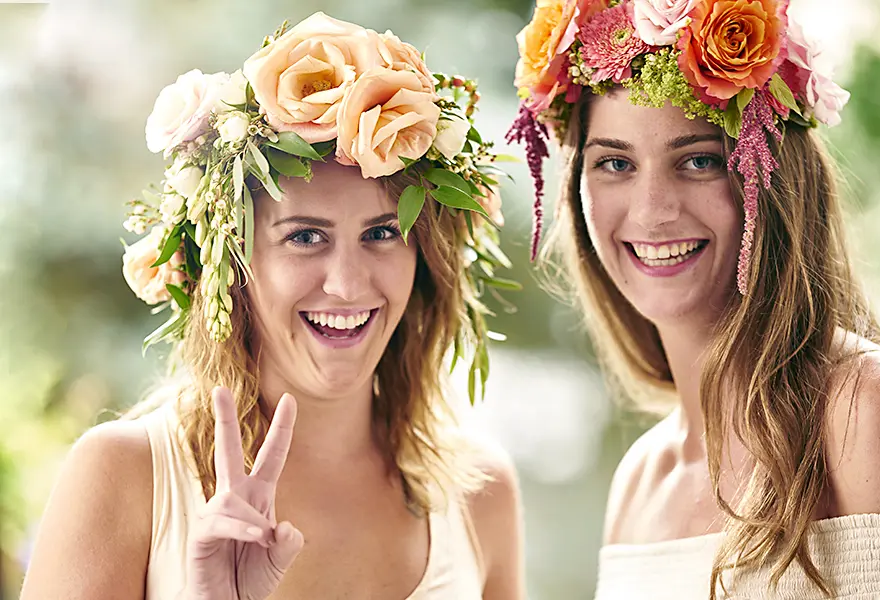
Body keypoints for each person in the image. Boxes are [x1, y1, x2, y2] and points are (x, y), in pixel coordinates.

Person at [21, 12, 523, 600]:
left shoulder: (481, 494)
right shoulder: (126, 477)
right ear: (235, 263)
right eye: (305, 237)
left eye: (382, 233)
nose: (346, 284)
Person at [508, 0, 880, 598]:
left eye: (698, 161)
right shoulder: (639, 480)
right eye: (615, 163)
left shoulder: (867, 409)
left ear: (775, 177)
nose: (652, 212)